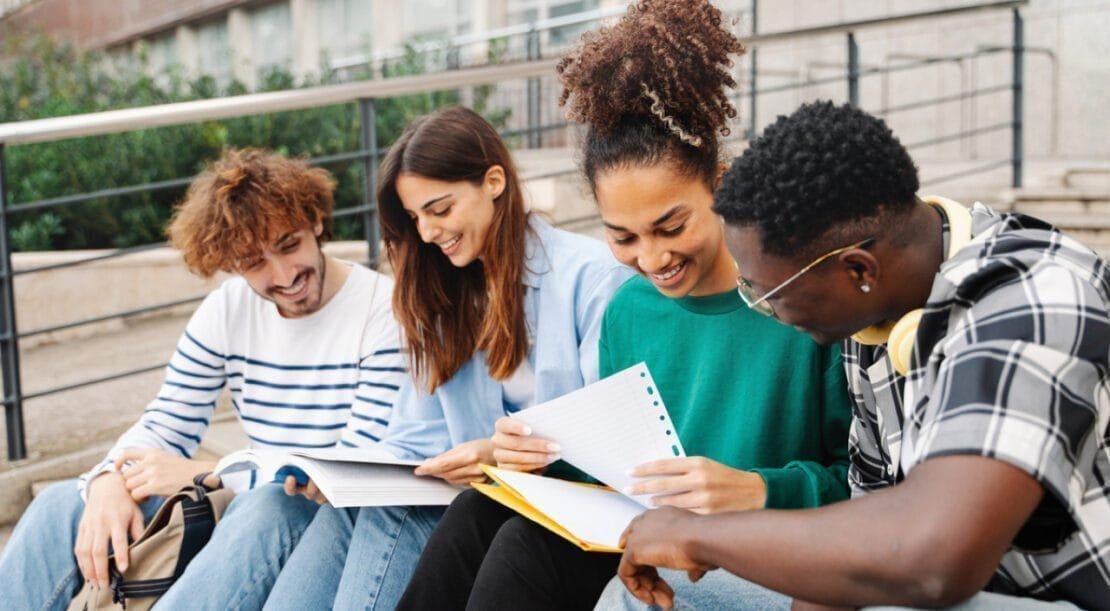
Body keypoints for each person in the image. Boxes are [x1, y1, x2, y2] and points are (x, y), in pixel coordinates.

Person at [397, 3, 853, 609]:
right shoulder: (631, 308)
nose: (651, 257)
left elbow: (863, 479)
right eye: (623, 236)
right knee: (482, 512)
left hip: (760, 547)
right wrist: (534, 458)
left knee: (524, 557)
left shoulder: (802, 298)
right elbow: (618, 467)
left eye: (670, 226)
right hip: (649, 530)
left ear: (719, 186)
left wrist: (754, 488)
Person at [610, 100, 1110, 611]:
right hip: (934, 587)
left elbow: (932, 562)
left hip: (1055, 597)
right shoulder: (870, 324)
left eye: (768, 294)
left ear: (858, 270)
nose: (766, 312)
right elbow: (851, 556)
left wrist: (698, 537)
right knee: (648, 598)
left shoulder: (1034, 297)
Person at [0, 149, 407, 611]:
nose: (284, 274)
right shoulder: (228, 309)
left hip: (321, 518)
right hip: (248, 503)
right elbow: (169, 421)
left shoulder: (383, 310)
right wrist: (109, 478)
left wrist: (209, 473)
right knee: (61, 504)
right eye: (254, 262)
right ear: (231, 263)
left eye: (289, 244)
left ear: (315, 221)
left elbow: (347, 471)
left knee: (269, 506)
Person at [260, 105, 630, 611]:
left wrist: (494, 452)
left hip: (573, 502)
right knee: (348, 510)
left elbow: (611, 431)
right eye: (415, 219)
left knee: (431, 516)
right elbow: (416, 436)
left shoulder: (591, 278)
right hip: (487, 498)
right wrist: (346, 475)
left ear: (494, 181)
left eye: (440, 209)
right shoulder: (440, 297)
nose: (429, 232)